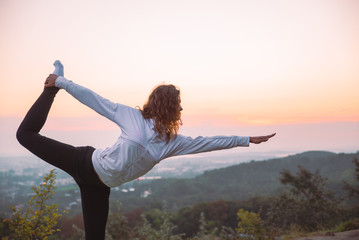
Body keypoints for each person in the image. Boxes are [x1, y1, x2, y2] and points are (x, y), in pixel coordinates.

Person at [16, 60, 276, 240]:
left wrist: (246, 139)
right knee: (25, 135)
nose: (182, 110)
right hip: (84, 162)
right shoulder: (132, 118)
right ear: (166, 104)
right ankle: (50, 89)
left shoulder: (171, 142)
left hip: (99, 186)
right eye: (179, 104)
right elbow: (94, 99)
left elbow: (207, 141)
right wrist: (62, 81)